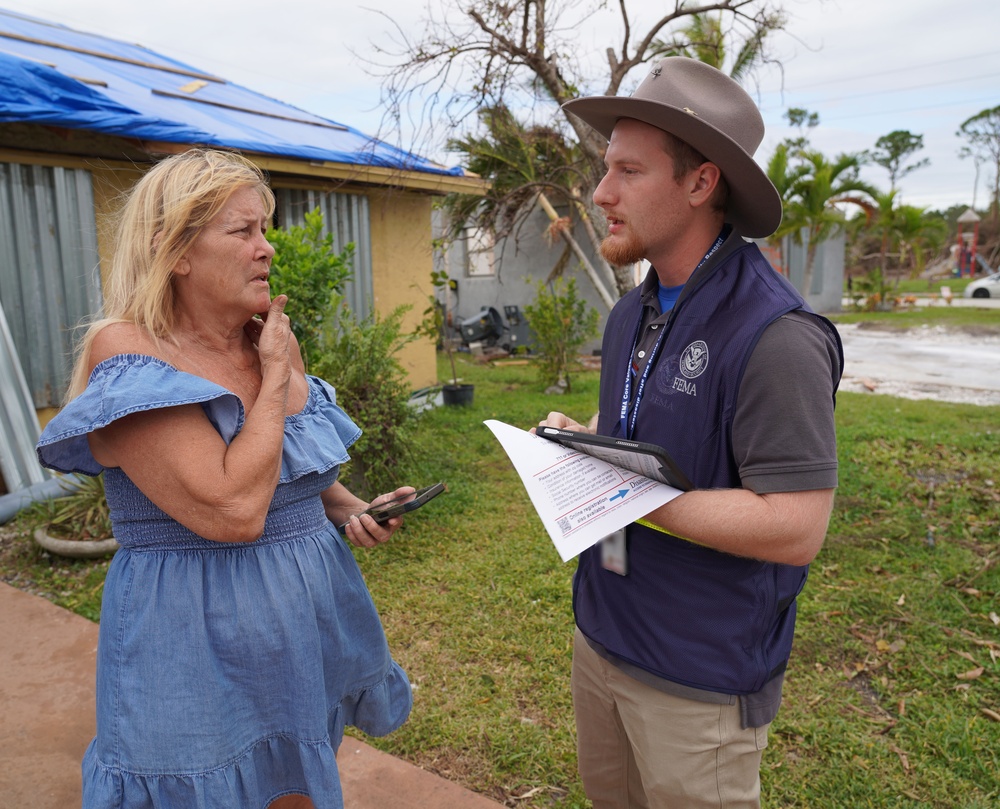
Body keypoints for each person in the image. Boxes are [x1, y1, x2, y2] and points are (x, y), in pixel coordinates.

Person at [36, 149, 414, 809]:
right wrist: (271, 378)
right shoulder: (131, 352)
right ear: (176, 249)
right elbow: (234, 511)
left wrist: (351, 506)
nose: (266, 248)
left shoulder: (264, 338)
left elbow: (288, 474)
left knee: (293, 783)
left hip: (297, 630)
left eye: (264, 229)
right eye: (243, 231)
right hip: (194, 638)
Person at [540, 57, 844, 808]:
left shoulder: (776, 335)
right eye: (605, 168)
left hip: (696, 680)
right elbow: (636, 439)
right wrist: (583, 443)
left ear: (701, 183)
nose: (601, 194)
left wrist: (627, 489)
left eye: (628, 171)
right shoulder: (631, 312)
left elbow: (797, 526)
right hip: (602, 640)